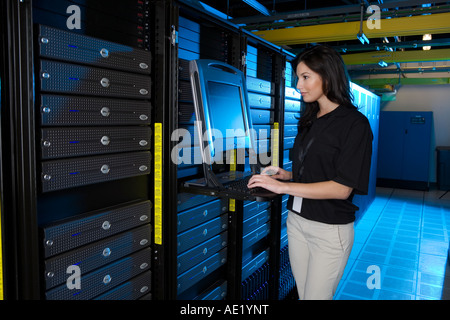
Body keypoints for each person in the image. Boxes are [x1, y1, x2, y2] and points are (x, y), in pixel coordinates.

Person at [247, 44, 373, 300]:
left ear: (327, 76)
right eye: (297, 78)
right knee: (304, 295)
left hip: (329, 229)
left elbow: (341, 188)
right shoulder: (310, 118)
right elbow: (318, 171)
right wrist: (287, 176)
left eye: (305, 77)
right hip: (297, 222)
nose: (298, 85)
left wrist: (283, 188)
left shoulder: (355, 125)